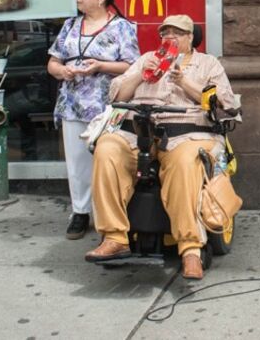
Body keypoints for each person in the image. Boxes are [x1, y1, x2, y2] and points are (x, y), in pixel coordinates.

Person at [84, 14, 239, 280]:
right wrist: (141, 76)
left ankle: (190, 248)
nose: (170, 38)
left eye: (177, 33)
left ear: (191, 38)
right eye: (165, 33)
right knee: (107, 149)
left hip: (186, 133)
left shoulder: (207, 63)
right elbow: (117, 95)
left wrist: (183, 81)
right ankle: (114, 236)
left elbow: (225, 103)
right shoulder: (146, 59)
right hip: (139, 130)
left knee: (184, 162)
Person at [47, 0, 138, 240]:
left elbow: (131, 65)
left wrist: (100, 66)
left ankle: (106, 213)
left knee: (107, 158)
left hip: (106, 104)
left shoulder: (122, 27)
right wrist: (62, 71)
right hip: (73, 102)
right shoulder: (70, 25)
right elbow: (52, 62)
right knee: (77, 161)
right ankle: (80, 212)